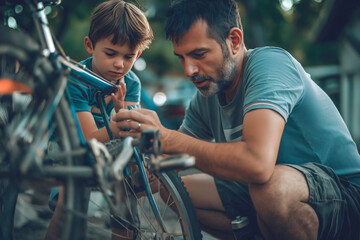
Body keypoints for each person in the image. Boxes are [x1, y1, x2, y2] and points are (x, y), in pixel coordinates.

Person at [112, 0, 360, 239]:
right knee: (174, 190)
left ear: (234, 40)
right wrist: (133, 160)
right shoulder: (208, 94)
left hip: (344, 195)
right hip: (268, 190)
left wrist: (167, 137)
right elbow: (168, 162)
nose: (189, 70)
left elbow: (257, 164)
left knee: (270, 188)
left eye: (199, 54)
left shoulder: (271, 65)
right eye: (182, 57)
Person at [45, 1, 153, 239]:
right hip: (69, 147)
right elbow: (88, 139)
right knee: (70, 207)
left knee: (125, 202)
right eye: (111, 53)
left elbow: (129, 130)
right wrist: (118, 123)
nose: (119, 64)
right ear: (89, 45)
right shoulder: (77, 80)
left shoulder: (131, 82)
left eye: (129, 56)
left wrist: (121, 112)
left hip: (107, 144)